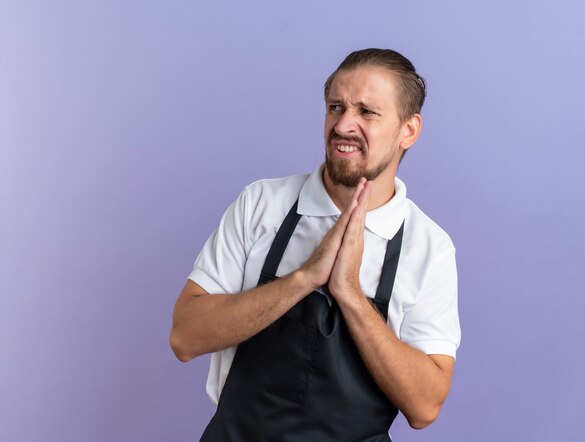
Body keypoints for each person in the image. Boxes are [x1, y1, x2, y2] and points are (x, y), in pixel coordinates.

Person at [170, 48, 461, 441]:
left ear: (408, 130)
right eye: (335, 107)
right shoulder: (262, 204)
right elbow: (185, 337)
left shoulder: (428, 248)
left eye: (367, 112)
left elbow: (425, 407)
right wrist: (304, 278)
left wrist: (350, 293)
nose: (343, 125)